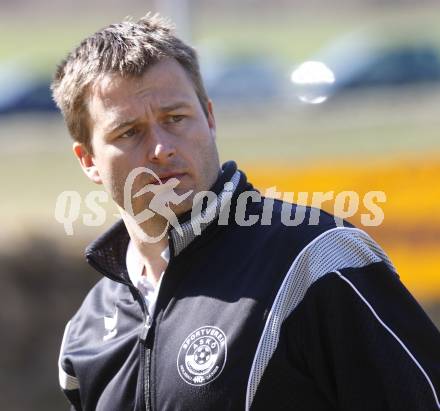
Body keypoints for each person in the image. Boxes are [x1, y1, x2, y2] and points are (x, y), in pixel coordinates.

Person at [52, 14, 440, 411]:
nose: (162, 148)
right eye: (129, 132)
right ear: (88, 161)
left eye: (175, 118)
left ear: (210, 117)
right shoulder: (86, 330)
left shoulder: (318, 261)